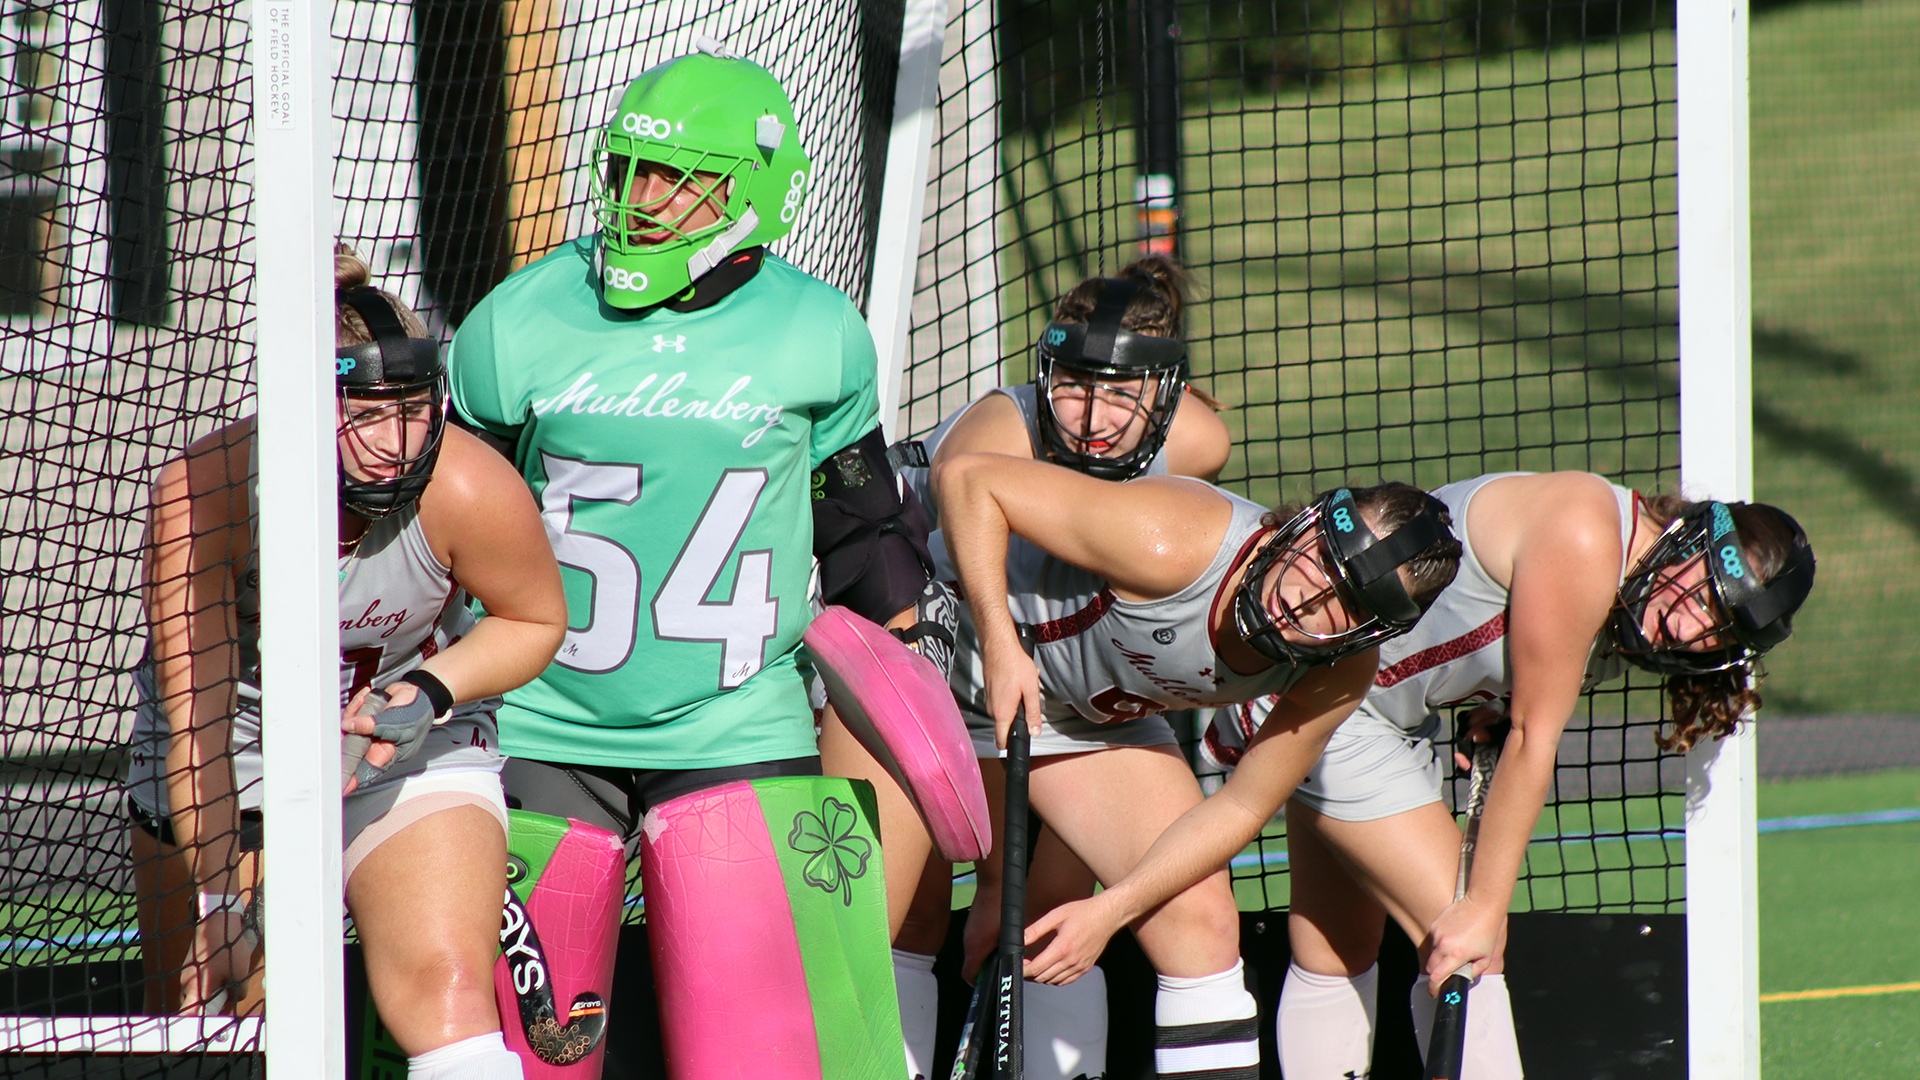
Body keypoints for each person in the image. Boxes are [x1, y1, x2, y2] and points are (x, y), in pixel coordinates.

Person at [446, 41, 941, 1079]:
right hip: (539, 720)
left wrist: (910, 650)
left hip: (734, 722)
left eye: (679, 175)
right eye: (630, 167)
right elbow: (449, 527)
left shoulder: (820, 330)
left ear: (753, 188)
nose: (645, 196)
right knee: (523, 1060)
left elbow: (856, 526)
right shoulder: (519, 318)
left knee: (768, 1060)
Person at [1191, 472, 1816, 1079]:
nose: (1690, 628)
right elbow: (1532, 738)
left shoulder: (1635, 597)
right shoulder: (1586, 533)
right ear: (1693, 540)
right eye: (1703, 596)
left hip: (1362, 711)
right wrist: (1484, 908)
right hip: (1334, 705)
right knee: (1470, 950)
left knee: (1338, 947)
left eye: (1718, 629)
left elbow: (1478, 651)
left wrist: (1490, 700)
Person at [131, 249, 567, 1080]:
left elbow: (536, 618)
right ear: (305, 405)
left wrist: (434, 690)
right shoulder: (207, 492)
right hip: (235, 761)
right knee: (231, 1024)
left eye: (411, 409)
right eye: (364, 413)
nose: (393, 445)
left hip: (407, 742)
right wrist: (222, 901)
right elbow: (201, 723)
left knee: (447, 993)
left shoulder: (468, 486)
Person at [819, 257, 1233, 1080]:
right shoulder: (1001, 425)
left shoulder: (1198, 442)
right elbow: (969, 514)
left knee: (1191, 919)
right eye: (1077, 384)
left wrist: (1023, 883)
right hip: (924, 657)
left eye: (1123, 393)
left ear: (1168, 392)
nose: (1093, 415)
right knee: (894, 924)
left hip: (1064, 690)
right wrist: (1003, 646)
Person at [931, 448, 1463, 1080]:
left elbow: (1240, 807)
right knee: (898, 917)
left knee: (1202, 926)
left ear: (1369, 632)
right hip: (935, 644)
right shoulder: (1177, 540)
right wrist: (996, 636)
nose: (1308, 595)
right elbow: (971, 478)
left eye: (1347, 600)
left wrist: (1110, 910)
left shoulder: (1340, 671)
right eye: (1324, 559)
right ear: (1309, 526)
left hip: (1078, 720)